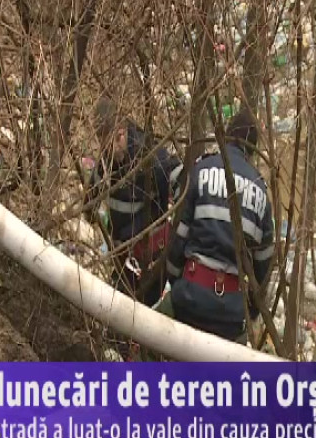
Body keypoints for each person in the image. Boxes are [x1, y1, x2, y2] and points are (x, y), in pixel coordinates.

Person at [155, 109, 275, 345]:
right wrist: (249, 312)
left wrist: (176, 282)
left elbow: (178, 238)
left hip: (190, 297)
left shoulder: (201, 171)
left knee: (144, 338)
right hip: (231, 314)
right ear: (252, 150)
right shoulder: (261, 192)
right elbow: (264, 267)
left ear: (227, 137)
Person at [85, 97, 183, 311]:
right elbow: (91, 197)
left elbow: (178, 176)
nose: (113, 147)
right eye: (106, 141)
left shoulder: (148, 157)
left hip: (150, 254)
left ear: (125, 130)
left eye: (118, 137)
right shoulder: (104, 164)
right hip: (123, 253)